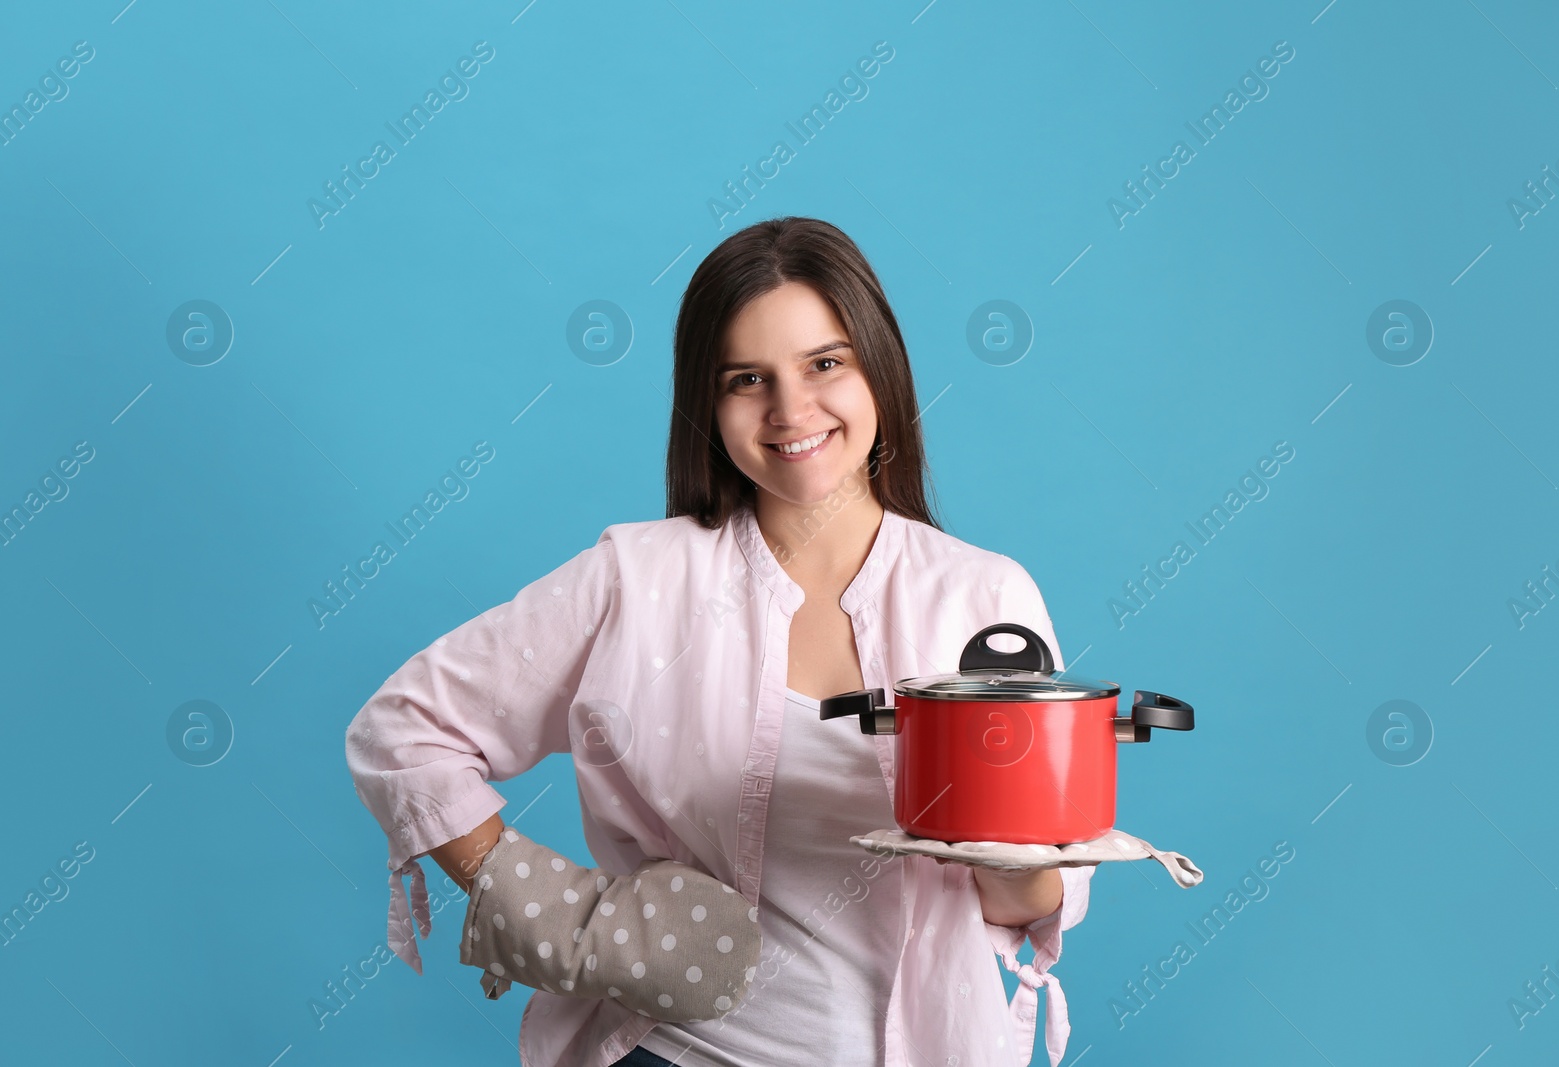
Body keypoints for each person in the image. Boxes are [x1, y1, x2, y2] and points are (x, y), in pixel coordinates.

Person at [344, 216, 1095, 1067]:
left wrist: (1006, 849)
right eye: (748, 378)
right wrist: (561, 919)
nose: (791, 409)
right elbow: (402, 729)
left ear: (877, 367)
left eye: (825, 363)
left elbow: (1033, 901)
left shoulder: (986, 599)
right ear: (709, 400)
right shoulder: (638, 578)